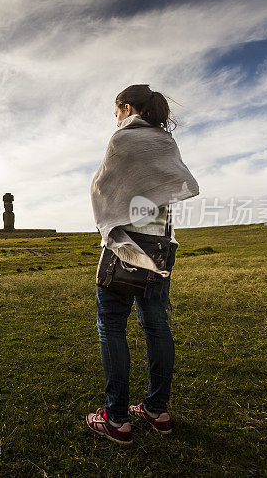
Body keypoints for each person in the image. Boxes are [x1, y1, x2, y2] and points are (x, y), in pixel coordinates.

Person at [85, 84, 200, 445]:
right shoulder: (165, 143)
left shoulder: (122, 141)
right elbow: (168, 188)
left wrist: (110, 222)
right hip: (162, 245)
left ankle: (116, 419)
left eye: (117, 110)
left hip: (125, 247)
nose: (116, 118)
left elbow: (104, 190)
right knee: (156, 327)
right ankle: (156, 410)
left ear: (127, 107)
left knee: (112, 327)